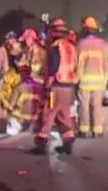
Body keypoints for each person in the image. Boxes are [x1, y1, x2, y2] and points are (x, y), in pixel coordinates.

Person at [32, 19, 78, 155]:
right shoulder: (71, 47)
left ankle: (41, 144)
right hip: (68, 86)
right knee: (64, 115)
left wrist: (47, 84)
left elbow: (53, 67)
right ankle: (68, 144)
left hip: (56, 86)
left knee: (48, 113)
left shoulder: (55, 47)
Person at [76, 16, 108, 138]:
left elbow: (78, 64)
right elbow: (106, 64)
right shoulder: (103, 44)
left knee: (84, 105)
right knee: (97, 105)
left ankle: (84, 130)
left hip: (84, 80)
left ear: (85, 29)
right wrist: (105, 80)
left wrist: (77, 78)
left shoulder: (81, 44)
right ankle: (97, 130)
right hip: (99, 80)